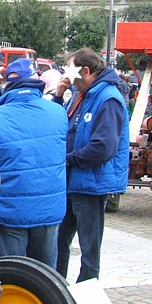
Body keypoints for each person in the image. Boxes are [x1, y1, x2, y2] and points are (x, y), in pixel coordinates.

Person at [0, 59, 68, 268]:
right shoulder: (58, 112)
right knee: (45, 277)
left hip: (10, 208)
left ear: (8, 84)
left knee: (8, 273)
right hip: (49, 208)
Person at [52, 48, 129, 282]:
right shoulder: (80, 93)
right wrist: (58, 95)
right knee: (58, 242)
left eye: (71, 71)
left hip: (91, 185)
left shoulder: (108, 99)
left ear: (86, 71)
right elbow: (61, 126)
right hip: (72, 182)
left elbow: (103, 148)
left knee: (89, 252)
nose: (67, 76)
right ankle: (57, 295)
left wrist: (68, 159)